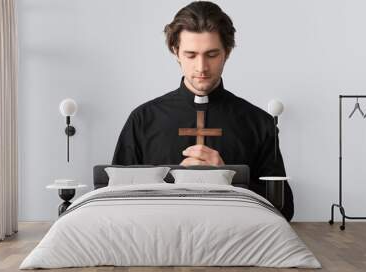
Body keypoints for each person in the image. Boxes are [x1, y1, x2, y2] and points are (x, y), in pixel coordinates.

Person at [112, 1, 294, 221]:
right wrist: (171, 182)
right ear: (175, 52)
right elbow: (114, 201)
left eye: (211, 54)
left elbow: (284, 209)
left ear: (227, 52)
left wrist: (229, 180)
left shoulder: (259, 122)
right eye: (190, 55)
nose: (201, 67)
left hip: (234, 245)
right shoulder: (143, 119)